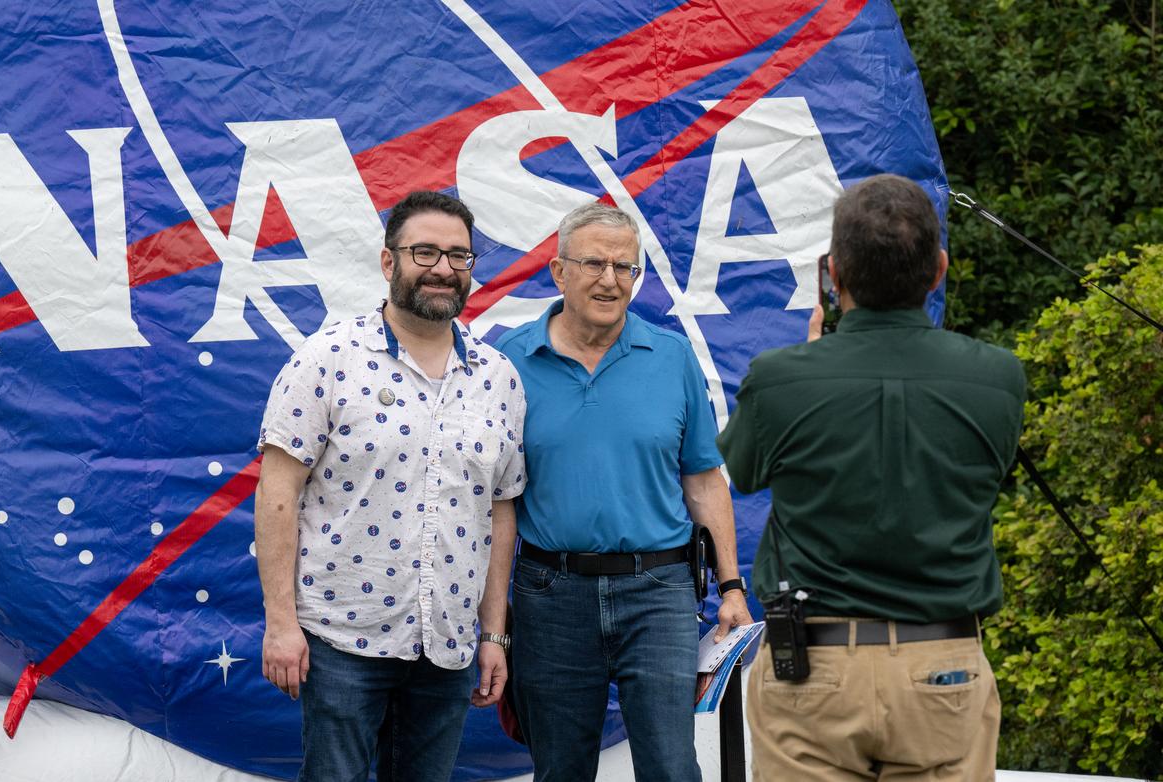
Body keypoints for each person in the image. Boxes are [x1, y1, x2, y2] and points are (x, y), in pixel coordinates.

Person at [718, 174, 1026, 781]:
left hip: (814, 667)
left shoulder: (781, 378)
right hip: (944, 660)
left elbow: (745, 471)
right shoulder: (997, 376)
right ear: (937, 270)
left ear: (834, 275)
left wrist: (810, 362)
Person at [253, 191, 527, 782]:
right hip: (340, 637)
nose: (443, 269)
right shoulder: (327, 358)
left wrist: (494, 633)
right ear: (388, 262)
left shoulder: (498, 379)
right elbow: (278, 492)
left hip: (448, 644)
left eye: (459, 256)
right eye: (424, 252)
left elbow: (500, 513)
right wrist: (280, 622)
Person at [496, 201, 753, 782]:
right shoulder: (508, 360)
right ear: (559, 272)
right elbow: (496, 500)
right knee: (560, 770)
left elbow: (704, 479)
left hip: (659, 593)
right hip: (549, 593)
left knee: (671, 767)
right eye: (594, 263)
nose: (610, 279)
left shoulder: (672, 356)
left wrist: (732, 587)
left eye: (625, 267)